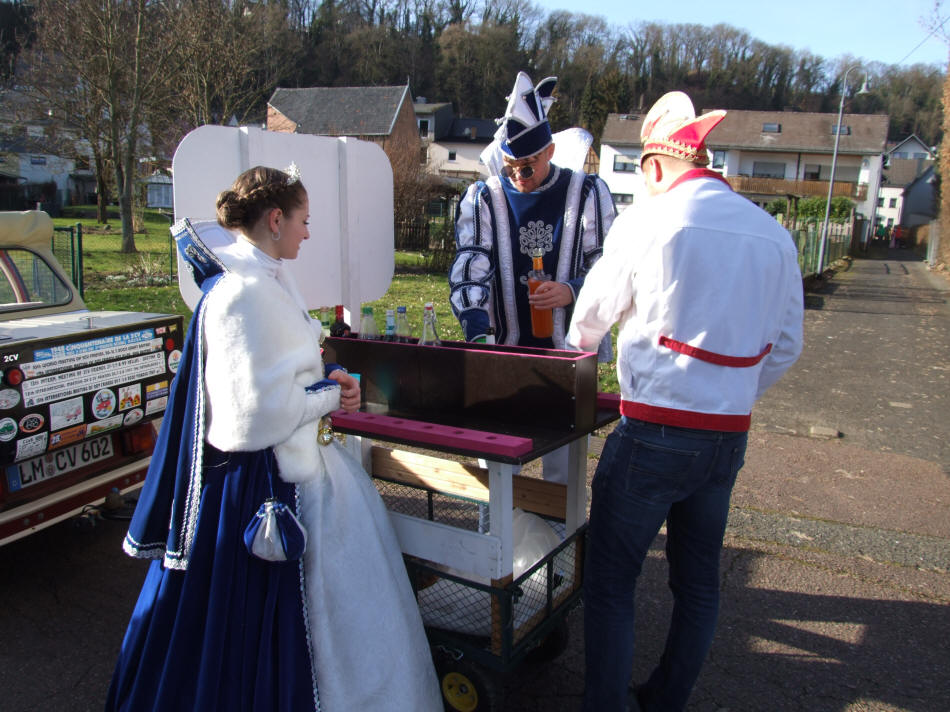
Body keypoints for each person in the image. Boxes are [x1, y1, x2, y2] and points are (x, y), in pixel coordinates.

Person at [107, 166, 442, 711]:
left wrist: (329, 379)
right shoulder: (244, 291)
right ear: (275, 218)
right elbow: (248, 420)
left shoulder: (264, 276)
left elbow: (282, 369)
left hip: (298, 466)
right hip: (264, 487)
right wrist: (330, 397)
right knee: (255, 637)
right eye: (304, 222)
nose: (308, 234)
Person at [567, 92, 804, 712]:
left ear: (651, 166)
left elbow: (589, 318)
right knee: (697, 585)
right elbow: (786, 346)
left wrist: (582, 357)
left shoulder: (650, 220)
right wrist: (730, 391)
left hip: (653, 434)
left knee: (613, 584)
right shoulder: (774, 234)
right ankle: (665, 699)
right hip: (727, 437)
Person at [448, 71, 615, 483]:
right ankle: (498, 544)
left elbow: (609, 265)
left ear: (551, 151)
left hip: (568, 355)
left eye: (529, 165)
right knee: (496, 468)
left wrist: (572, 290)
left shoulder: (587, 192)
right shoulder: (487, 196)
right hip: (506, 353)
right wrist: (477, 332)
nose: (520, 176)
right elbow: (473, 263)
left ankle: (558, 543)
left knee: (563, 474)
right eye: (512, 167)